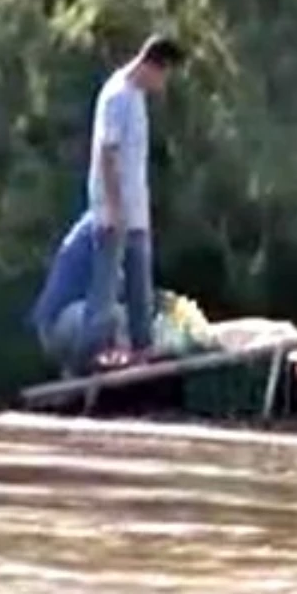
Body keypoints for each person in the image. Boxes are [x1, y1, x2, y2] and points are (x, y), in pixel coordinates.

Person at [82, 34, 186, 369]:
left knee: (141, 280)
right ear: (152, 66)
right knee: (107, 283)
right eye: (165, 74)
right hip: (113, 208)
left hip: (136, 208)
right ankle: (94, 353)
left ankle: (142, 347)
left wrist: (138, 208)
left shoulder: (138, 97)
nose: (163, 84)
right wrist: (114, 208)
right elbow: (107, 153)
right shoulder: (117, 96)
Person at [29, 211, 128, 376]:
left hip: (55, 324)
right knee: (118, 317)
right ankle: (91, 367)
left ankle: (74, 369)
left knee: (112, 315)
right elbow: (115, 286)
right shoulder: (104, 227)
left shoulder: (91, 222)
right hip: (60, 322)